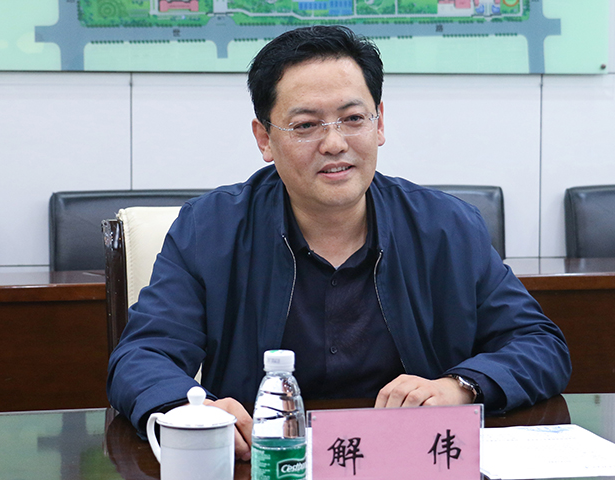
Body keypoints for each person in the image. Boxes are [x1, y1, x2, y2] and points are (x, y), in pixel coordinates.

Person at [107, 25, 571, 461]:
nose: (334, 143)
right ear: (264, 138)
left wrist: (460, 387)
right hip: (267, 463)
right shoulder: (210, 230)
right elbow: (141, 357)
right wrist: (191, 411)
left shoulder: (446, 227)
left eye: (352, 119)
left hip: (409, 460)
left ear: (379, 124)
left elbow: (539, 344)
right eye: (306, 125)